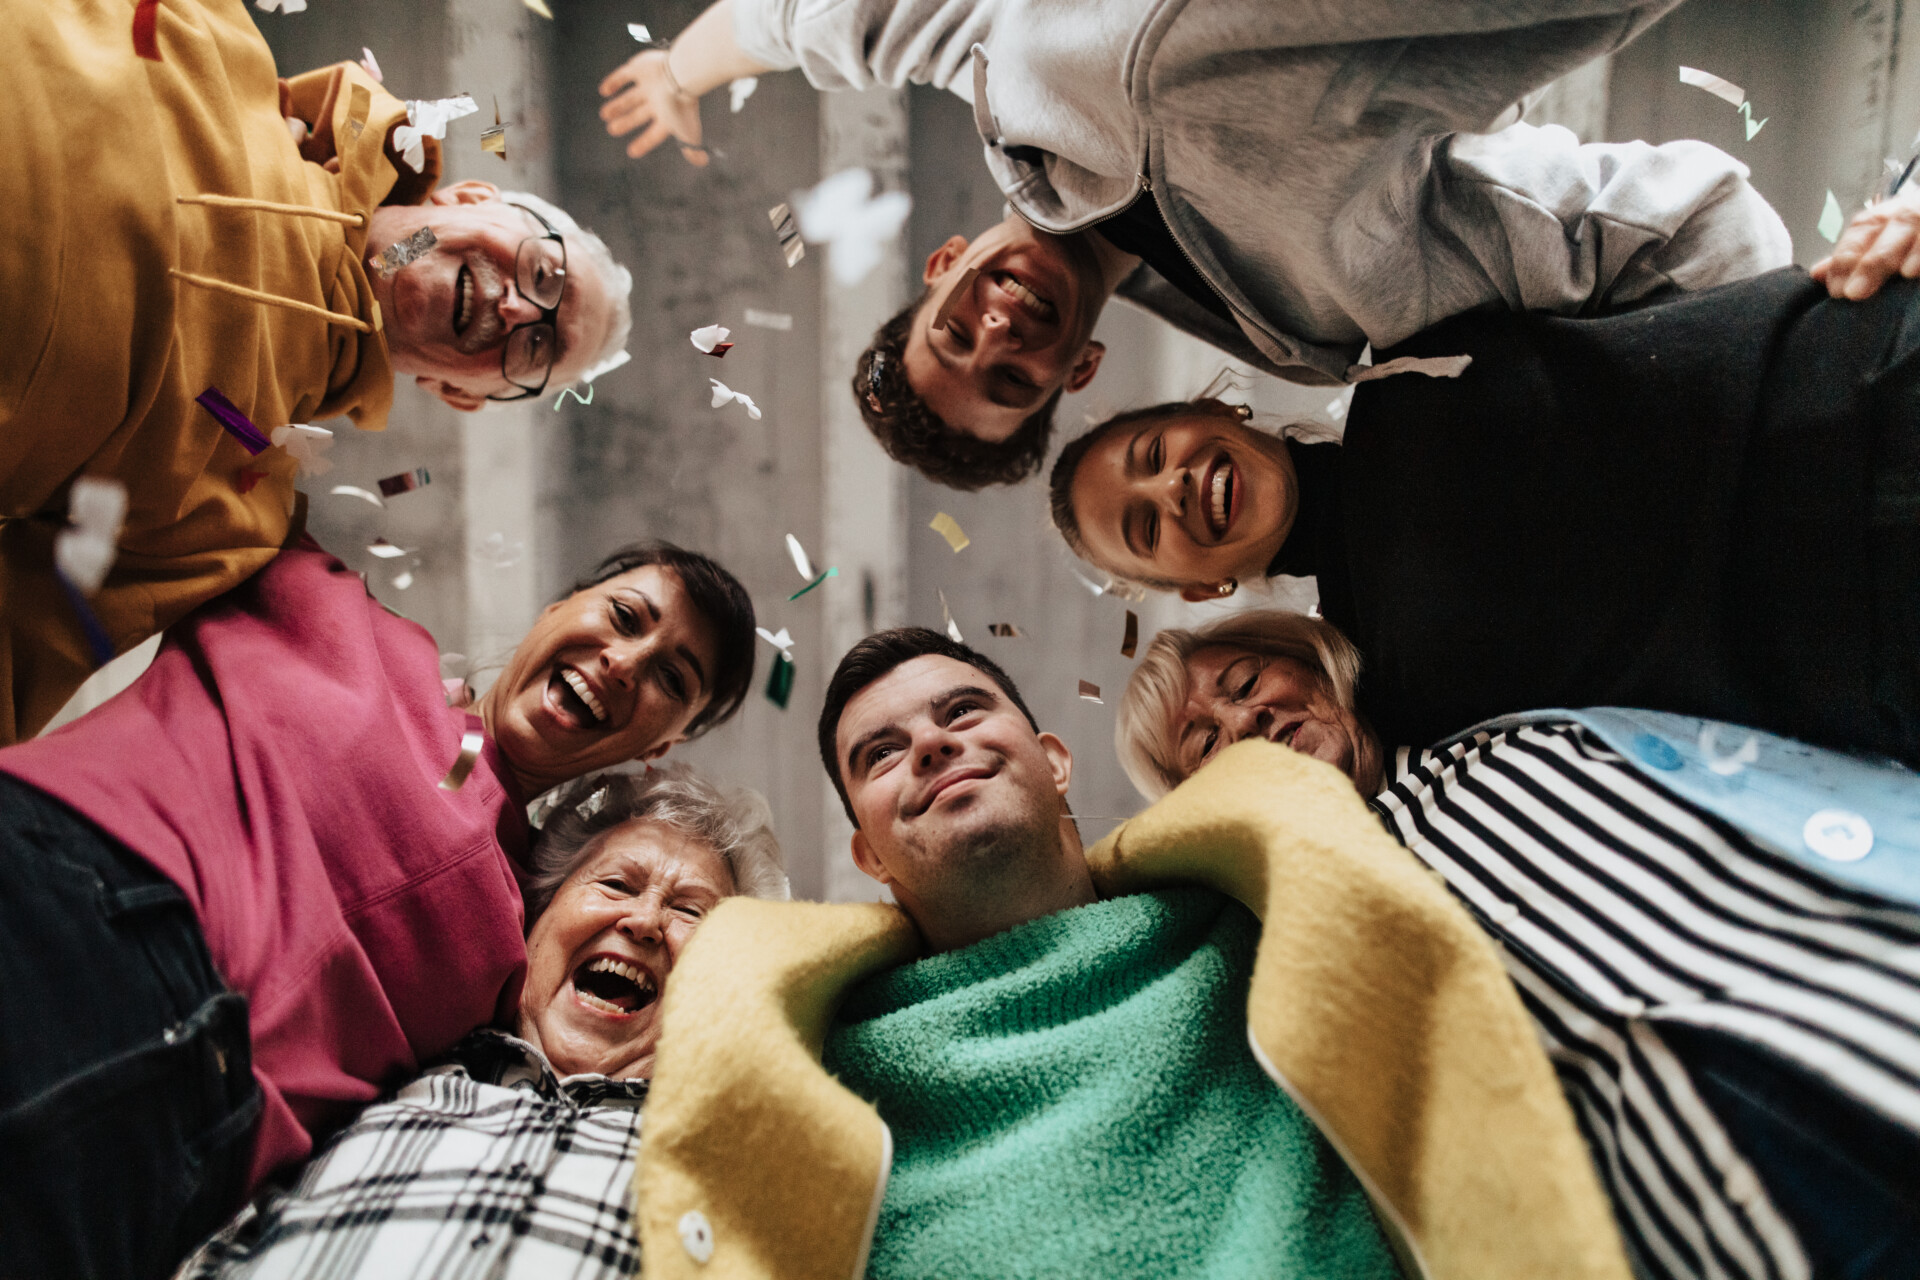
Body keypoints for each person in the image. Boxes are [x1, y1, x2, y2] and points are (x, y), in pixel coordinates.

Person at [631, 627, 1637, 1280]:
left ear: (1054, 756)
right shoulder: (824, 1063)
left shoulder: (1261, 917)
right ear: (868, 852)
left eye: (962, 711)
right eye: (881, 753)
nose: (931, 746)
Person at [598, 0, 1804, 489]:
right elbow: (1648, 231)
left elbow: (822, 18)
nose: (997, 330)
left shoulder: (1014, 80)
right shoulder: (1315, 324)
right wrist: (1784, 380)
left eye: (954, 331)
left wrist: (679, 66)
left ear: (942, 265)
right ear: (1076, 377)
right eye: (1007, 376)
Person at [0, 517, 756, 1280]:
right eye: (625, 617)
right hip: (62, 895)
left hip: (174, 1136)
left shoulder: (523, 941)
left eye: (671, 678)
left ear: (662, 747)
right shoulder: (332, 614)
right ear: (554, 609)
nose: (625, 662)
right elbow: (159, 458)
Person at [1115, 612, 1920, 1280]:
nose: (1245, 718)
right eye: (1207, 744)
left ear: (1313, 669)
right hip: (1711, 1213)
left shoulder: (1537, 737)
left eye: (1247, 683)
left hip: (1868, 1023)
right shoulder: (1308, 950)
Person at [2, 0, 635, 744]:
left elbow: (16, 653)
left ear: (462, 393)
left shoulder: (232, 512)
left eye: (539, 351)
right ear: (469, 197)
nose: (523, 310)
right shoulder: (223, 45)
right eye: (545, 270)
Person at [1050, 265, 1920, 767]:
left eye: (1154, 454)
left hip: (1865, 373)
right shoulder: (1391, 700)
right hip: (1864, 640)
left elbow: (1615, 234)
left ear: (1213, 414)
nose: (1169, 491)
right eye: (1143, 527)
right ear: (1199, 590)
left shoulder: (1405, 336)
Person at [177, 765, 789, 1279]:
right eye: (614, 884)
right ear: (535, 920)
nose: (645, 921)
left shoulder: (737, 1164)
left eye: (689, 911)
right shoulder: (376, 1073)